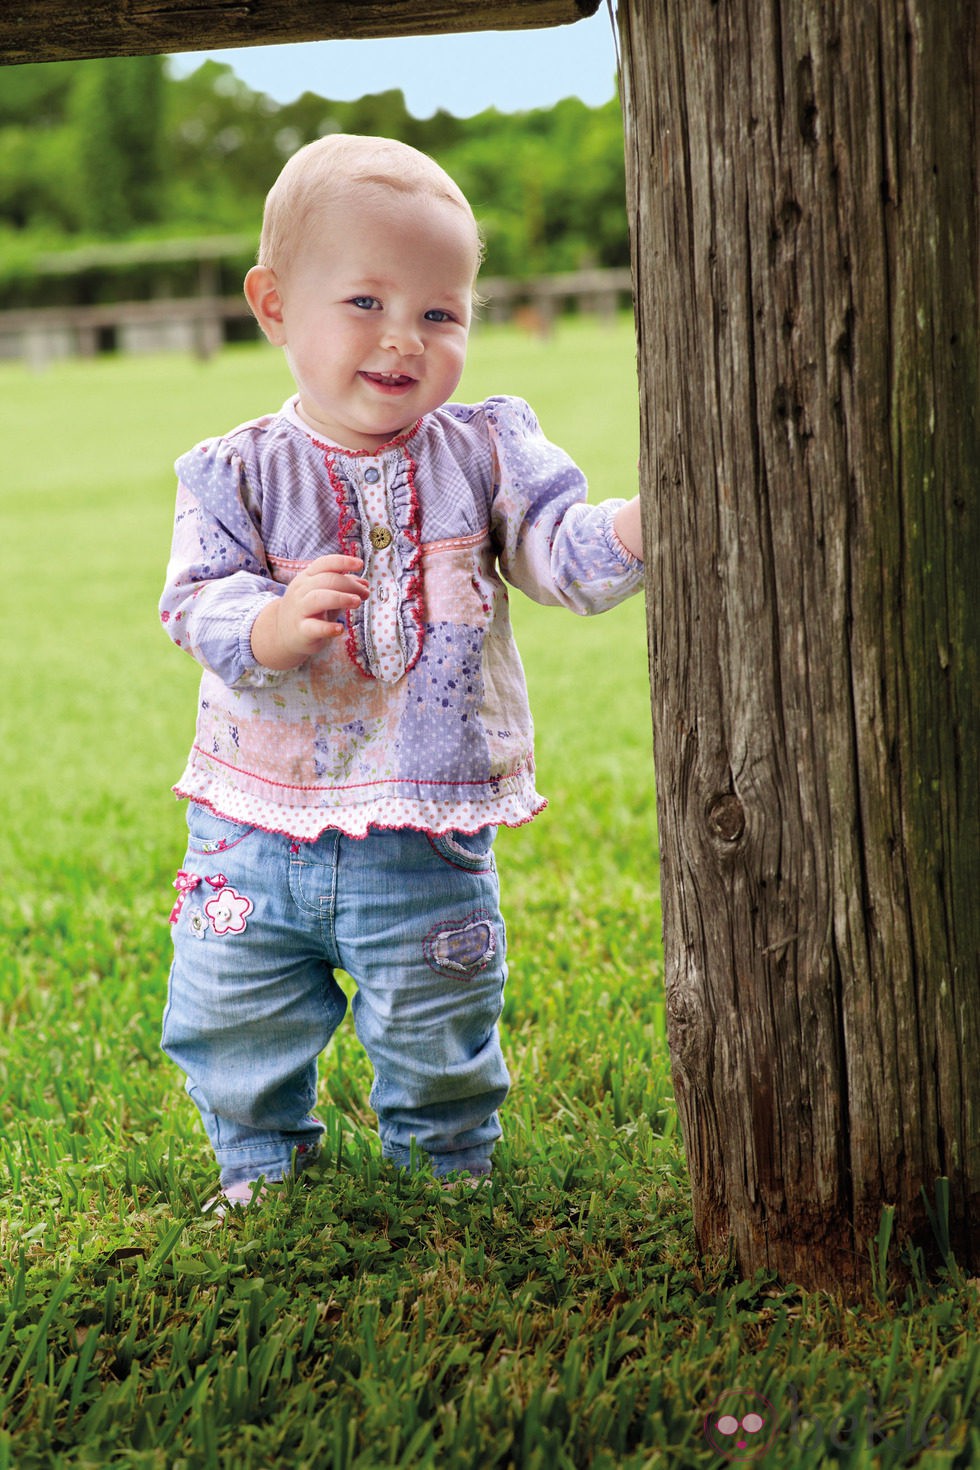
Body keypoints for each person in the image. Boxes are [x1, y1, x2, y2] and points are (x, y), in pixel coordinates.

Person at [159, 133, 644, 1211]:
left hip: (420, 821)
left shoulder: (480, 452)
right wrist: (272, 624)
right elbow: (195, 599)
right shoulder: (234, 469)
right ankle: (258, 1164)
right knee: (232, 1008)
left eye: (439, 313)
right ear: (275, 303)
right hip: (254, 821)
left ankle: (443, 1167)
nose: (403, 340)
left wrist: (635, 525)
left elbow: (557, 551)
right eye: (365, 304)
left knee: (437, 1007)